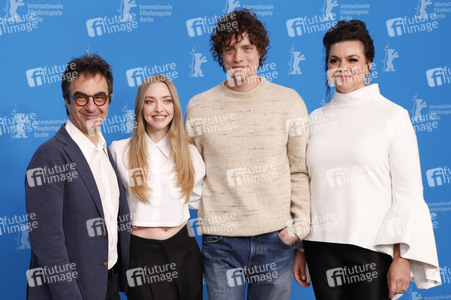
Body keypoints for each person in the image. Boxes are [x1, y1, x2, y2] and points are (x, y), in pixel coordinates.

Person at [293, 20, 441, 300]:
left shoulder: (392, 116)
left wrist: (403, 257)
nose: (343, 67)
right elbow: (305, 187)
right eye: (334, 60)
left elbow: (408, 194)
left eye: (352, 59)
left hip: (373, 249)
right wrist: (300, 248)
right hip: (321, 248)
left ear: (369, 64)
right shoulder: (312, 120)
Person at [185, 9, 310, 300]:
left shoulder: (288, 102)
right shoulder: (199, 107)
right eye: (229, 49)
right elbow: (189, 172)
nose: (238, 57)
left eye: (246, 48)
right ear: (221, 54)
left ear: (259, 52)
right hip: (221, 242)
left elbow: (299, 170)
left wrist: (299, 227)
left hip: (276, 238)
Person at [25, 53, 131, 300]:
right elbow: (47, 241)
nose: (92, 107)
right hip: (72, 291)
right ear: (67, 101)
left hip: (107, 282)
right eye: (81, 97)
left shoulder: (106, 151)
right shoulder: (49, 157)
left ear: (109, 99)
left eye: (99, 97)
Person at [109, 74, 205, 300]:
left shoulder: (190, 153)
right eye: (150, 101)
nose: (159, 108)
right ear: (140, 106)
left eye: (167, 100)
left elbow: (196, 199)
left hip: (184, 250)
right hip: (141, 253)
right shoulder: (118, 151)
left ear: (175, 106)